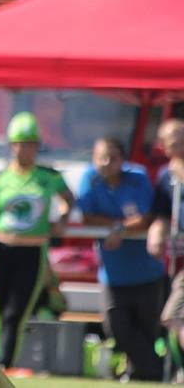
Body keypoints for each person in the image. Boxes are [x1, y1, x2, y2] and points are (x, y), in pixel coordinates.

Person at [0, 112, 74, 370]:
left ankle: (4, 363)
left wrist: (62, 219)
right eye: (20, 143)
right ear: (11, 145)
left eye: (31, 143)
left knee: (16, 312)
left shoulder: (49, 176)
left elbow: (68, 198)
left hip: (32, 252)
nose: (26, 149)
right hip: (1, 249)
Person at [78, 136, 165, 381]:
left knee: (148, 330)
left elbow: (146, 217)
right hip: (113, 275)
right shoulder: (90, 178)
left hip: (147, 272)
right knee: (117, 328)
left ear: (123, 160)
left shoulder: (137, 177)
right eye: (100, 158)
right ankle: (156, 372)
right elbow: (86, 216)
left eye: (112, 158)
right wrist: (119, 225)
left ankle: (143, 375)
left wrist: (120, 230)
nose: (106, 163)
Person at [147, 119, 184, 363]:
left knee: (175, 314)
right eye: (173, 140)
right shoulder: (165, 177)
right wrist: (156, 233)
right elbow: (160, 214)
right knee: (174, 316)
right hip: (178, 257)